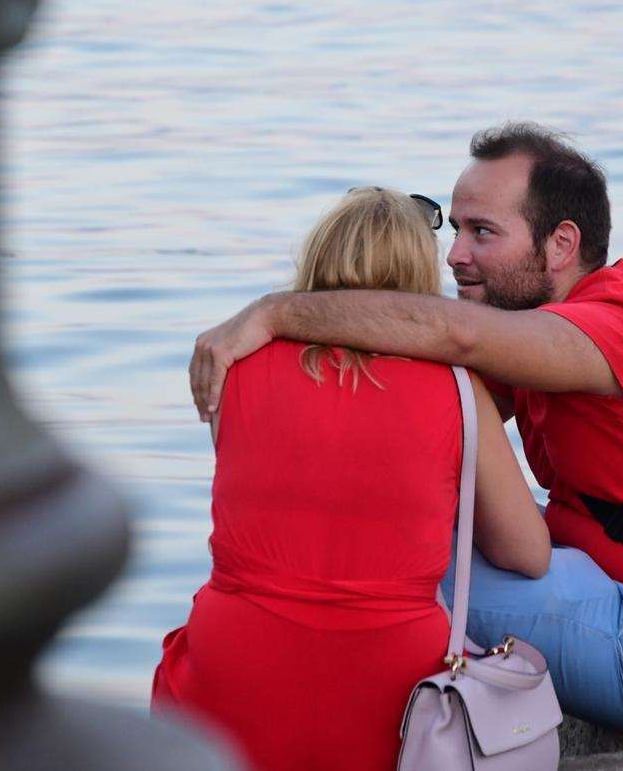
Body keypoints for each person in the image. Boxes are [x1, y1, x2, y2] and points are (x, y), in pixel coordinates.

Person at [189, 122, 623, 733]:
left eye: (482, 232)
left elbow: (453, 336)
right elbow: (388, 423)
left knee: (392, 562)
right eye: (456, 229)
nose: (455, 255)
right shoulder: (536, 332)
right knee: (364, 522)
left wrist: (276, 313)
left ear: (561, 244)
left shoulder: (620, 326)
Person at [153, 186, 550, 771]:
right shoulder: (460, 391)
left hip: (235, 682)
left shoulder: (234, 370)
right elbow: (528, 554)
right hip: (392, 699)